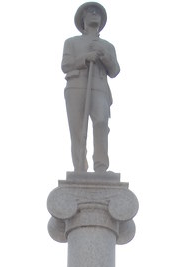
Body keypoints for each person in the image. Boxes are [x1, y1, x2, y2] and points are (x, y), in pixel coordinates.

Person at [62, 4, 119, 173]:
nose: (95, 14)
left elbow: (115, 71)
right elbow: (65, 65)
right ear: (83, 18)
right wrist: (86, 58)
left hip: (99, 86)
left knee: (101, 122)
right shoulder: (71, 42)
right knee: (78, 129)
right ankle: (80, 167)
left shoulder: (107, 46)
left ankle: (101, 167)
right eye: (91, 12)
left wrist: (104, 55)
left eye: (98, 13)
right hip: (76, 85)